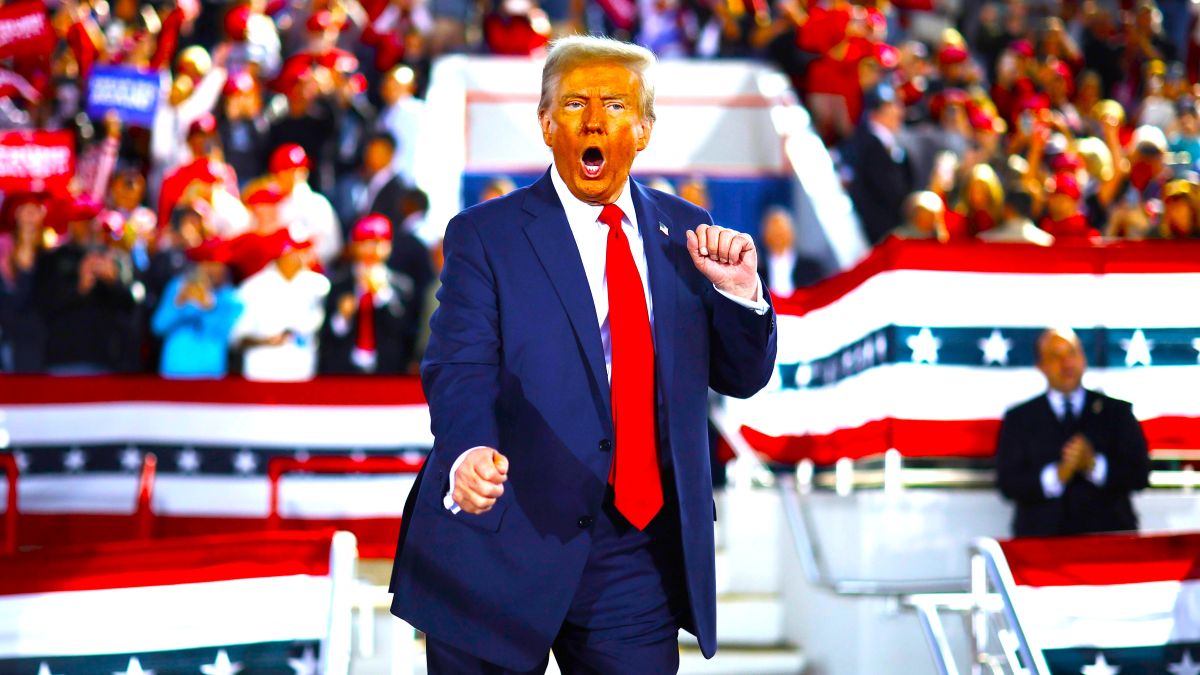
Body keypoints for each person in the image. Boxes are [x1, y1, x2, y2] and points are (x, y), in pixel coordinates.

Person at [388, 36, 777, 673]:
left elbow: (743, 377)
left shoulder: (687, 233)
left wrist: (740, 295)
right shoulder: (485, 235)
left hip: (634, 555)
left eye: (615, 105)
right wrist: (466, 451)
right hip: (499, 538)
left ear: (645, 129)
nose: (594, 120)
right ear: (545, 124)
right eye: (574, 104)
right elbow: (460, 367)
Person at [995, 328, 1151, 538]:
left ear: (1083, 359)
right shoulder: (1020, 418)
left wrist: (1094, 465)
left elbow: (1139, 475)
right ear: (1040, 366)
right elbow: (1007, 483)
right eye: (1055, 356)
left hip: (1110, 543)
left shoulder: (1117, 412)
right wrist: (1056, 476)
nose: (1066, 363)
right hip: (1041, 545)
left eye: (1071, 353)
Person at [319, 215, 418, 374]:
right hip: (345, 371)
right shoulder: (339, 284)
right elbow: (328, 337)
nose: (372, 250)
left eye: (379, 243)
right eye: (365, 243)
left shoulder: (402, 285)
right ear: (354, 247)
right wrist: (343, 317)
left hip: (387, 371)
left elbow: (404, 331)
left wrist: (382, 295)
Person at [229, 232, 330, 381]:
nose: (303, 256)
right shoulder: (253, 288)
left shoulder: (319, 285)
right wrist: (266, 341)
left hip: (304, 372)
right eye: (296, 251)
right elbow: (237, 337)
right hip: (262, 371)